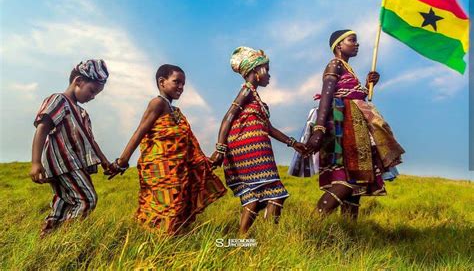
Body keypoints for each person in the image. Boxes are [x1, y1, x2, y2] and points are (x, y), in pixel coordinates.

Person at [111, 64, 226, 234]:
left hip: (177, 170)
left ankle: (170, 243)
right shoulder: (157, 103)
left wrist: (203, 161)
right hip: (160, 170)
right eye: (177, 82)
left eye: (183, 84)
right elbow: (139, 132)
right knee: (165, 208)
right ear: (162, 82)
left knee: (177, 206)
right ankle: (157, 243)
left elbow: (186, 142)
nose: (181, 87)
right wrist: (122, 161)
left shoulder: (175, 110)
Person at [305, 30, 405, 220]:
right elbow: (326, 97)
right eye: (352, 40)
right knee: (345, 181)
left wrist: (367, 85)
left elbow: (352, 96)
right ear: (339, 46)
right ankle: (312, 225)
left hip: (355, 127)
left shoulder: (348, 69)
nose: (357, 44)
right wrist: (319, 129)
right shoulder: (334, 64)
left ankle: (349, 236)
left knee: (356, 186)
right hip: (341, 128)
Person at [210, 46, 306, 234]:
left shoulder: (254, 97)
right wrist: (220, 148)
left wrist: (293, 143)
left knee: (252, 198)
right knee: (276, 195)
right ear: (256, 71)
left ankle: (241, 240)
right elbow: (228, 116)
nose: (269, 75)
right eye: (266, 70)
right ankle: (270, 238)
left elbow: (268, 128)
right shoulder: (246, 91)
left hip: (249, 150)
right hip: (250, 151)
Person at [30, 59, 111, 238]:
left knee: (64, 202)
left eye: (97, 93)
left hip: (74, 164)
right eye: (92, 90)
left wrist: (105, 162)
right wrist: (35, 162)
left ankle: (47, 238)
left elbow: (91, 140)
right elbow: (42, 127)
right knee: (87, 199)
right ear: (78, 81)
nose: (93, 96)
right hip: (64, 163)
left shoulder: (82, 113)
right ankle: (66, 239)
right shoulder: (59, 100)